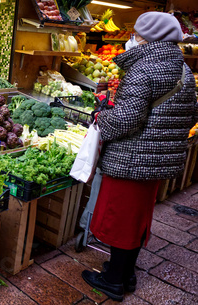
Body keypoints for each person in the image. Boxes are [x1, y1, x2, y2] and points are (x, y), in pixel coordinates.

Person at [81, 11, 198, 302]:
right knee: (137, 219)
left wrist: (100, 117)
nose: (132, 39)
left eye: (136, 34)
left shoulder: (145, 68)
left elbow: (126, 119)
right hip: (157, 159)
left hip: (133, 157)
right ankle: (126, 272)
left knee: (121, 219)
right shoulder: (181, 68)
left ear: (147, 38)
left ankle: (113, 281)